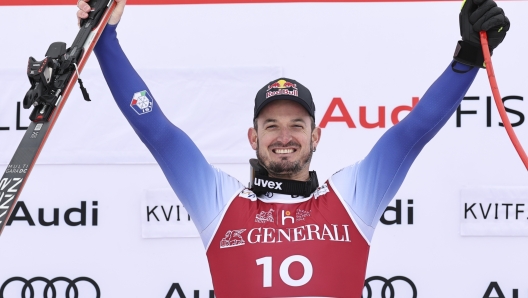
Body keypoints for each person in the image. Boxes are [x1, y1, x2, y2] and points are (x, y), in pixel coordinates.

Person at [78, 0, 509, 297]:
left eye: (296, 125)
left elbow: (412, 132)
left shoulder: (351, 196)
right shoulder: (220, 201)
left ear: (316, 136)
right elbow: (158, 132)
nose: (285, 137)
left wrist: (468, 57)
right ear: (254, 138)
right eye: (271, 126)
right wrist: (106, 39)